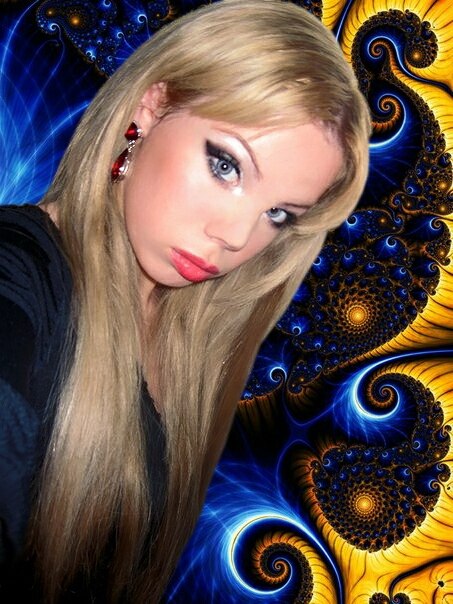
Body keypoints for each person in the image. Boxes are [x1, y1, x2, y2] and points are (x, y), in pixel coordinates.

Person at [0, 0, 370, 601]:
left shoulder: (182, 338)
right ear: (150, 108)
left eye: (278, 214)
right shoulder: (18, 276)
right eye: (226, 166)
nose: (236, 237)